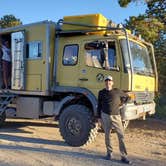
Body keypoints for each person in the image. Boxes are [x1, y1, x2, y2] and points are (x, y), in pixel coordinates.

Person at [97, 75, 131, 164]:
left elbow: (128, 97)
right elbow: (99, 105)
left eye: (110, 81)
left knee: (121, 135)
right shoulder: (101, 92)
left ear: (112, 82)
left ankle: (123, 156)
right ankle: (109, 153)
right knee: (107, 135)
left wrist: (122, 104)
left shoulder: (117, 91)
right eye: (106, 81)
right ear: (105, 83)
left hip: (116, 116)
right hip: (105, 116)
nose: (108, 82)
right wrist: (98, 118)